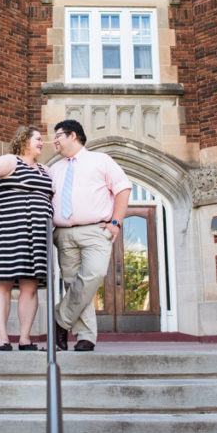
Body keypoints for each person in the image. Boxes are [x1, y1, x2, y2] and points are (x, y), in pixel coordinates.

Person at [50, 119, 132, 351]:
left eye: (58, 135)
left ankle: (60, 319)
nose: (54, 140)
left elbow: (122, 188)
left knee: (93, 274)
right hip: (63, 233)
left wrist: (116, 222)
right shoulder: (54, 169)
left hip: (96, 230)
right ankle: (85, 336)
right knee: (72, 284)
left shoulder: (101, 160)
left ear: (73, 135)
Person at [0, 126, 53, 351]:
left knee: (31, 285)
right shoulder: (11, 161)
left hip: (37, 234)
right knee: (3, 282)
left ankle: (25, 338)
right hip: (8, 230)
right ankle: (2, 338)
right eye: (37, 139)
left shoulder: (44, 169)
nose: (41, 143)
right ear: (24, 140)